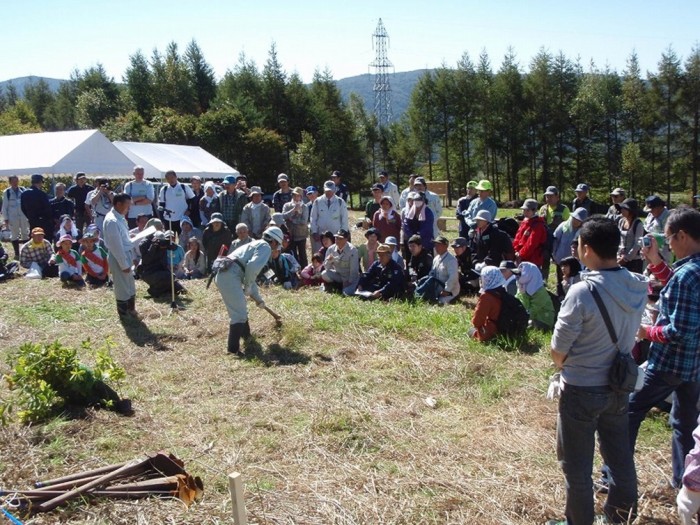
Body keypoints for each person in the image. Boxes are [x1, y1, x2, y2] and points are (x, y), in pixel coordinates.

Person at [547, 216, 647, 525]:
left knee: (576, 467)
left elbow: (558, 350)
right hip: (618, 385)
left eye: (577, 245)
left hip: (581, 387)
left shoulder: (582, 292)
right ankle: (619, 519)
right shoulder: (637, 284)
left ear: (587, 249)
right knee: (619, 459)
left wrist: (562, 366)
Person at [631, 207, 700, 490]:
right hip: (693, 365)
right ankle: (684, 481)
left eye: (670, 238)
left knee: (629, 412)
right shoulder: (691, 271)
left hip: (670, 363)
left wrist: (647, 332)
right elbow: (677, 282)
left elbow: (679, 330)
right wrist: (656, 261)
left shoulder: (686, 277)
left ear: (682, 235)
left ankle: (614, 478)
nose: (668, 243)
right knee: (684, 424)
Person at [213, 226, 281, 355]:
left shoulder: (255, 244)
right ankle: (233, 350)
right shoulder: (265, 247)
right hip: (229, 276)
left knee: (241, 309)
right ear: (273, 241)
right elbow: (252, 268)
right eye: (276, 245)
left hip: (226, 274)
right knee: (238, 314)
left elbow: (250, 274)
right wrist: (248, 284)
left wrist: (259, 299)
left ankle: (247, 337)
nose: (275, 248)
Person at [102, 194, 138, 318]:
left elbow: (122, 239)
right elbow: (116, 246)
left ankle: (131, 310)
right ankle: (124, 314)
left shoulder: (120, 218)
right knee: (122, 286)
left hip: (126, 253)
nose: (129, 208)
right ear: (118, 204)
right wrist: (123, 264)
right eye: (127, 205)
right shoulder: (112, 221)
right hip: (119, 256)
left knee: (129, 284)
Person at [552, 208, 588, 296]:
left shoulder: (583, 231)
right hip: (561, 258)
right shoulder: (563, 226)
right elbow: (555, 240)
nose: (576, 221)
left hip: (574, 261)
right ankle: (560, 296)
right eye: (575, 218)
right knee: (560, 278)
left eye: (579, 220)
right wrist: (554, 254)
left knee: (573, 279)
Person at [139, 230, 186, 297]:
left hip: (161, 271)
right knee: (169, 276)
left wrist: (168, 243)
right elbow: (146, 260)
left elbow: (175, 247)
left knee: (181, 290)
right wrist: (153, 246)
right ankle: (154, 291)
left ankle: (164, 291)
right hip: (149, 272)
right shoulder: (145, 243)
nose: (161, 242)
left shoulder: (165, 243)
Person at [540, 186, 570, 281]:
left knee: (559, 263)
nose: (548, 198)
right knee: (544, 261)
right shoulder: (542, 209)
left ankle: (561, 285)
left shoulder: (564, 209)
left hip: (558, 241)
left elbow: (568, 227)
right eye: (547, 196)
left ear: (557, 197)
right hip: (545, 240)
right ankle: (544, 282)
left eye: (551, 196)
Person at [469, 266, 506, 342]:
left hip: (492, 332)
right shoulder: (503, 292)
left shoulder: (486, 297)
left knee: (470, 331)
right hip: (505, 330)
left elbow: (477, 322)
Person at [516, 261, 555, 330]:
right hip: (528, 317)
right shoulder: (521, 286)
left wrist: (519, 318)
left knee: (528, 324)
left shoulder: (540, 292)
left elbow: (532, 311)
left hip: (543, 320)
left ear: (529, 275)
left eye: (519, 274)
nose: (517, 276)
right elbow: (518, 302)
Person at [310, 181, 349, 246]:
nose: (328, 193)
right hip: (321, 236)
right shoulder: (317, 201)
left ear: (334, 190)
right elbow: (313, 218)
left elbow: (344, 219)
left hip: (336, 235)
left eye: (330, 191)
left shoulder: (340, 202)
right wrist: (314, 232)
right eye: (326, 191)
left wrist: (343, 233)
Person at [512, 199, 548, 271]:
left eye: (527, 210)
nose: (525, 212)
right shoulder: (525, 221)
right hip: (520, 258)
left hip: (533, 260)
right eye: (524, 210)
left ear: (534, 211)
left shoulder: (538, 225)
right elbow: (517, 238)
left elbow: (531, 244)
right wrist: (515, 251)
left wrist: (520, 254)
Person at [321, 228, 360, 295]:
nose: (337, 240)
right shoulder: (331, 249)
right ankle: (337, 285)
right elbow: (326, 267)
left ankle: (344, 287)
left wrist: (349, 282)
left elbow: (354, 270)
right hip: (339, 275)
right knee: (324, 274)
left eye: (340, 238)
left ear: (346, 239)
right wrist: (329, 261)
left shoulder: (352, 250)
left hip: (349, 276)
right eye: (336, 238)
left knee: (346, 293)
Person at [158, 170, 195, 235]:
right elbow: (161, 205)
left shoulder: (184, 187)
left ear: (176, 177)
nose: (170, 180)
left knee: (184, 239)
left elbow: (193, 200)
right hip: (168, 219)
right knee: (169, 240)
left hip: (182, 218)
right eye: (168, 178)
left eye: (172, 177)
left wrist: (189, 210)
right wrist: (162, 219)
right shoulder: (164, 189)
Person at [2, 175, 29, 260]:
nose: (15, 183)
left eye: (16, 181)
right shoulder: (7, 192)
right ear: (10, 182)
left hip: (23, 216)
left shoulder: (23, 190)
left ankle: (26, 253)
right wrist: (5, 219)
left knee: (25, 234)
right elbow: (4, 206)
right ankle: (17, 253)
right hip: (12, 217)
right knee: (14, 235)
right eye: (13, 181)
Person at [282, 187, 309, 268]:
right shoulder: (287, 205)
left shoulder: (304, 207)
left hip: (301, 234)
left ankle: (304, 271)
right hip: (290, 235)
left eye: (298, 195)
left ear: (301, 196)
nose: (296, 197)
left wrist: (292, 220)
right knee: (292, 254)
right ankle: (294, 271)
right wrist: (293, 211)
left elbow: (304, 221)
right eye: (294, 195)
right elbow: (283, 216)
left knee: (302, 254)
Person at [21, 174, 54, 239]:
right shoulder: (41, 194)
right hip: (43, 220)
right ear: (40, 182)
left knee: (34, 237)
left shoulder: (24, 194)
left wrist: (29, 216)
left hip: (32, 219)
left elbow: (23, 208)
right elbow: (47, 209)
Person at [616, 198, 644, 273]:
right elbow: (619, 239)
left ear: (631, 211)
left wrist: (626, 258)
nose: (621, 210)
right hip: (620, 258)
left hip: (634, 261)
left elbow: (637, 244)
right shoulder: (621, 221)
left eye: (624, 209)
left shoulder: (638, 224)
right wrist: (618, 255)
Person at [432, 235, 460, 304]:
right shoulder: (436, 258)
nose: (436, 247)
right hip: (437, 289)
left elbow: (453, 277)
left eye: (439, 245)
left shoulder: (451, 260)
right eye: (435, 245)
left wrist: (447, 290)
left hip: (450, 291)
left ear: (445, 246)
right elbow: (432, 273)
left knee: (440, 302)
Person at [643, 195, 672, 261]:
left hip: (663, 253)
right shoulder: (650, 215)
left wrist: (654, 236)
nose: (650, 212)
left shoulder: (669, 218)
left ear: (659, 207)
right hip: (648, 250)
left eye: (652, 209)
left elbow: (670, 237)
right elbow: (645, 227)